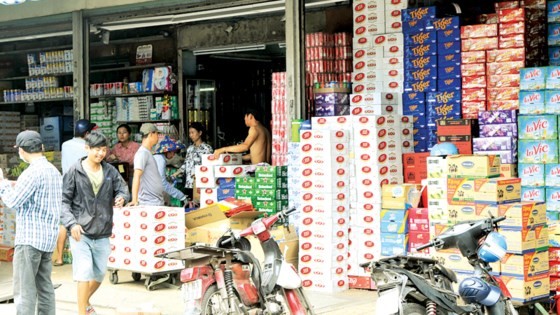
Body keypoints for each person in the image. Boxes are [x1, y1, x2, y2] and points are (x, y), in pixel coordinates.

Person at [60, 131, 129, 315]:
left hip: (103, 230)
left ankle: (85, 303)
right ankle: (82, 312)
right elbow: (63, 202)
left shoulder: (109, 170)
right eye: (97, 149)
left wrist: (122, 197)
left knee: (98, 275)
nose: (100, 154)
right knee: (84, 273)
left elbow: (122, 188)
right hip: (80, 232)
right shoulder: (74, 171)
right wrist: (72, 224)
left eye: (104, 150)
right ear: (87, 148)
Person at [0, 130, 62, 315]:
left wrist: (2, 183)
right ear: (41, 148)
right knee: (45, 288)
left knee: (24, 292)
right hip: (47, 240)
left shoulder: (32, 172)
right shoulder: (53, 171)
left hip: (29, 241)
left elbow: (13, 201)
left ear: (21, 150)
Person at [56, 118, 97, 266]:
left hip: (66, 186)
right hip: (83, 188)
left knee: (64, 222)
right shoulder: (87, 147)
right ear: (87, 133)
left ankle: (59, 257)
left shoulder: (65, 145)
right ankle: (85, 258)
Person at [127, 123, 164, 206]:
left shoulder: (147, 153)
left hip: (154, 202)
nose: (158, 136)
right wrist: (134, 200)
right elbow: (136, 175)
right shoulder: (142, 153)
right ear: (151, 133)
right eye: (157, 134)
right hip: (148, 203)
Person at [176, 122, 213, 201]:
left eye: (193, 132)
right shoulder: (190, 149)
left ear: (200, 133)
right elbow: (185, 164)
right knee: (190, 207)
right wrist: (176, 173)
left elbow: (210, 166)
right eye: (190, 133)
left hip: (201, 183)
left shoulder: (207, 149)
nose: (190, 135)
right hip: (189, 184)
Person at [153, 136, 186, 205]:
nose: (174, 155)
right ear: (167, 151)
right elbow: (163, 183)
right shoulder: (160, 160)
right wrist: (181, 196)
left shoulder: (158, 158)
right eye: (173, 152)